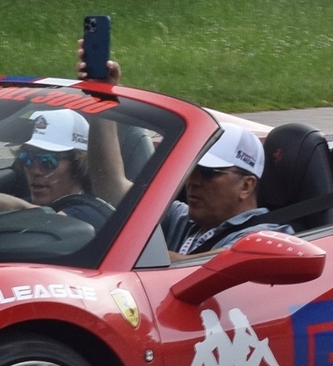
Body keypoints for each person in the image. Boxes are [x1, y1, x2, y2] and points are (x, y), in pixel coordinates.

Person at [75, 47, 293, 258]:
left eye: (208, 173)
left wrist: (132, 253)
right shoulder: (181, 219)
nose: (193, 181)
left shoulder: (269, 237)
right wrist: (101, 98)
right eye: (192, 170)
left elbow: (217, 262)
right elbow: (111, 186)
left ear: (246, 186)